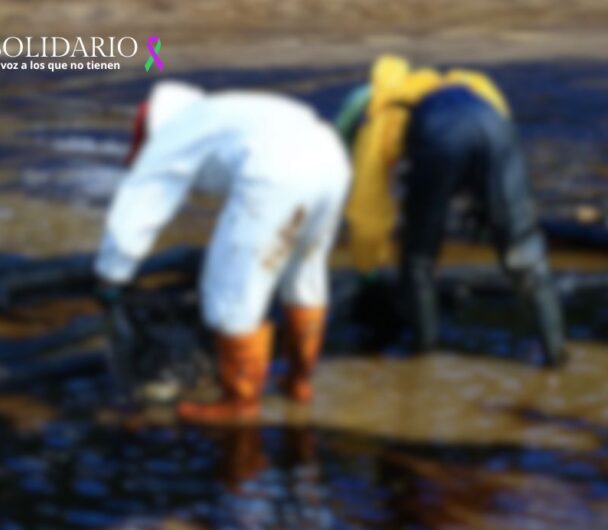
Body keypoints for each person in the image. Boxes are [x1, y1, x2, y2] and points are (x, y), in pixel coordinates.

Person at [95, 81, 351, 421]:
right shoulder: (218, 112)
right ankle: (299, 383)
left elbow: (138, 207)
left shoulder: (172, 133)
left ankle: (239, 404)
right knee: (305, 273)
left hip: (276, 170)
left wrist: (112, 275)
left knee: (233, 288)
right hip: (331, 159)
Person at [334, 54, 566, 366]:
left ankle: (423, 359)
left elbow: (367, 211)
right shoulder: (468, 84)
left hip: (440, 137)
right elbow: (495, 142)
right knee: (524, 254)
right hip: (496, 129)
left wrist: (367, 271)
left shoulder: (377, 118)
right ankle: (556, 355)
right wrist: (486, 208)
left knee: (418, 260)